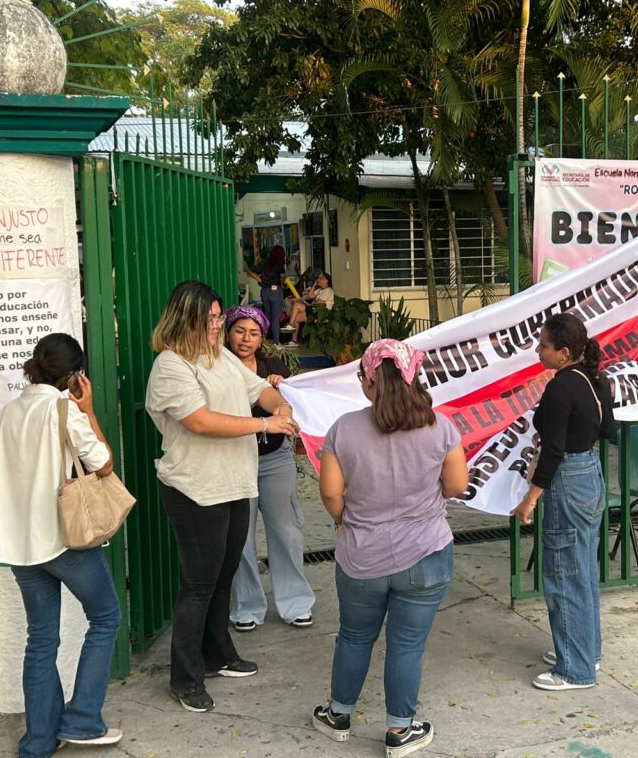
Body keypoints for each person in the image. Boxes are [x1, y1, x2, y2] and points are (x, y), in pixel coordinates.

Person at [145, 280, 299, 713]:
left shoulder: (220, 358)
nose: (219, 324)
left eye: (218, 316)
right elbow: (201, 421)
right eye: (210, 318)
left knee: (223, 575)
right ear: (186, 318)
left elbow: (258, 390)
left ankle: (218, 654)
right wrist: (265, 426)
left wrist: (278, 406)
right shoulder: (171, 366)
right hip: (195, 488)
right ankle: (185, 677)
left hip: (235, 483)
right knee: (198, 585)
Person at [311, 339, 468, 758]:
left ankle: (338, 714)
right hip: (428, 553)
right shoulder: (441, 427)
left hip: (361, 556)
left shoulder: (343, 429)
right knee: (407, 645)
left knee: (354, 636)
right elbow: (456, 485)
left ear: (368, 382)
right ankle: (400, 731)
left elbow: (330, 494)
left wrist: (345, 519)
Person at [0, 333, 123, 757]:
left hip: (20, 542)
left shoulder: (12, 410)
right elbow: (103, 464)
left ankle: (38, 742)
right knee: (105, 619)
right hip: (65, 540)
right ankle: (83, 719)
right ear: (73, 375)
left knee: (41, 640)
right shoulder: (64, 409)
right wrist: (88, 409)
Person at [511, 313, 614, 692]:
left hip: (566, 479)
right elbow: (607, 429)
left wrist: (530, 500)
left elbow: (552, 451)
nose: (538, 351)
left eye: (543, 345)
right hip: (589, 472)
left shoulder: (560, 388)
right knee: (583, 568)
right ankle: (586, 651)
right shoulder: (596, 379)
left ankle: (575, 669)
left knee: (564, 573)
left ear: (564, 351)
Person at [223, 306, 316, 631]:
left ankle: (296, 603)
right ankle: (247, 606)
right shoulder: (219, 365)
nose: (245, 339)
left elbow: (290, 406)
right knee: (241, 538)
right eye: (239, 331)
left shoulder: (271, 365)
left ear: (262, 338)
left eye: (253, 333)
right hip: (235, 458)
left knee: (286, 531)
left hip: (275, 460)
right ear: (228, 332)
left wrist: (279, 389)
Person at [284, 271, 334, 345]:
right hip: (314, 311)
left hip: (320, 313)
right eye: (318, 278)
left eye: (321, 279)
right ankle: (294, 341)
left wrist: (308, 305)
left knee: (297, 305)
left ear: (326, 281)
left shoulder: (328, 291)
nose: (318, 280)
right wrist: (314, 285)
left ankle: (290, 324)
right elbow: (310, 296)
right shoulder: (320, 290)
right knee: (296, 318)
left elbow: (319, 303)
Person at [249, 247, 286, 344]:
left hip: (265, 292)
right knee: (275, 319)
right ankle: (277, 342)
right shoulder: (279, 264)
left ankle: (263, 341)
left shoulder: (264, 263)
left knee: (267, 318)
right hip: (276, 291)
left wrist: (261, 280)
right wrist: (283, 282)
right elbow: (282, 278)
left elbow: (251, 271)